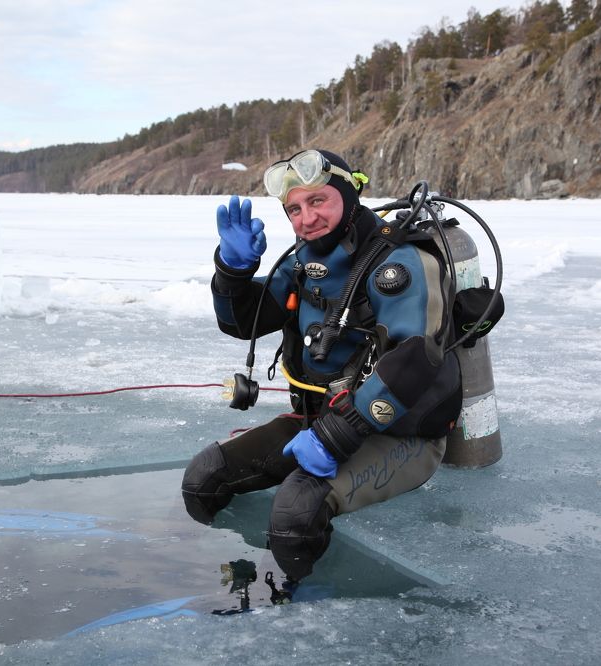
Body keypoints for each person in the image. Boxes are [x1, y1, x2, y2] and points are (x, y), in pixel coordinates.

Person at [181, 149, 462, 596]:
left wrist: (337, 436)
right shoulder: (301, 262)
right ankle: (212, 583)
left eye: (318, 201)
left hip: (400, 434)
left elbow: (415, 360)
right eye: (294, 208)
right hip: (317, 419)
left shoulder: (400, 262)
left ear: (349, 195)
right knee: (204, 476)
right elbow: (244, 322)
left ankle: (309, 617)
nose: (307, 218)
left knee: (296, 513)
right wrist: (232, 274)